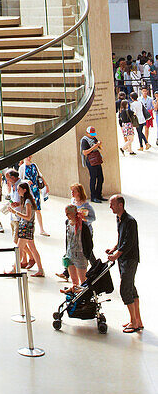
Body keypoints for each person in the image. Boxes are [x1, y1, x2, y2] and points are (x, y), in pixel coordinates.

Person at [106, 194, 142, 333]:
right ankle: (137, 320)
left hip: (130, 259)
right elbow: (121, 238)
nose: (110, 207)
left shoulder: (130, 221)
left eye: (112, 204)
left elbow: (128, 243)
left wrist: (116, 255)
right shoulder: (119, 219)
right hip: (123, 259)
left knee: (125, 290)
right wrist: (114, 248)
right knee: (131, 288)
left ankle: (134, 323)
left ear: (120, 205)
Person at [61, 204, 95, 291]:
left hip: (80, 255)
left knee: (83, 282)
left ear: (74, 213)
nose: (67, 215)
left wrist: (86, 254)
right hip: (70, 254)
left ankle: (84, 299)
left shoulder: (83, 226)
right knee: (74, 281)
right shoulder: (67, 223)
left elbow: (89, 243)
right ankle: (74, 297)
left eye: (68, 213)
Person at [14, 181, 44, 277]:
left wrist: (15, 212)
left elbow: (27, 216)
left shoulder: (27, 201)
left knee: (19, 248)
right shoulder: (26, 200)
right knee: (32, 248)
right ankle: (40, 269)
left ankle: (14, 269)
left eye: (19, 189)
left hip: (26, 227)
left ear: (24, 190)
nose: (17, 191)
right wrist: (18, 205)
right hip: (28, 227)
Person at [19, 156, 49, 236]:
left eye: (30, 156)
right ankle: (27, 227)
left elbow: (40, 175)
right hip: (28, 191)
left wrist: (46, 185)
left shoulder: (34, 165)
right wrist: (26, 181)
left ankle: (41, 229)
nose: (29, 158)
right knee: (28, 209)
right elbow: (20, 179)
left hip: (35, 190)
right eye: (27, 157)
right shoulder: (22, 167)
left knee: (38, 209)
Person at [79, 125, 104, 201]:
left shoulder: (94, 138)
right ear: (87, 133)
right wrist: (94, 146)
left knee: (100, 178)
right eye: (91, 134)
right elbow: (84, 152)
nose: (92, 136)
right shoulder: (84, 140)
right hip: (91, 161)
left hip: (97, 160)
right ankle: (93, 197)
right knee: (93, 179)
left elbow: (100, 148)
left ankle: (99, 195)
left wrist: (99, 144)